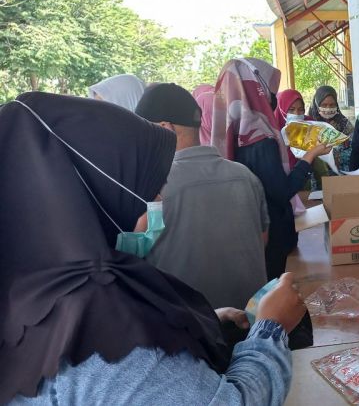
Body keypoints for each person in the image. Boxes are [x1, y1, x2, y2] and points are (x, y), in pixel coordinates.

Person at [0, 92, 307, 405]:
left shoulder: (30, 294)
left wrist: (204, 324)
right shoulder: (109, 331)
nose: (159, 203)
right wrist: (271, 329)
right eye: (148, 193)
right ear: (101, 201)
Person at [212, 58, 328, 349]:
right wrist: (310, 157)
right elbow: (281, 190)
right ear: (258, 89)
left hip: (247, 230)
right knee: (277, 299)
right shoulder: (259, 135)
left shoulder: (231, 133)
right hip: (273, 230)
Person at [134, 83, 270, 315]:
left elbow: (132, 255)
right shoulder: (245, 176)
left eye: (143, 131)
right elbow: (262, 241)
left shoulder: (152, 186)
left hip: (191, 329)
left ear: (166, 128)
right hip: (252, 320)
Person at [309, 85, 354, 171]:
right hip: (317, 175)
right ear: (317, 104)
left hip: (341, 174)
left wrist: (338, 157)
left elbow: (353, 149)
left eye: (332, 105)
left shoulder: (345, 124)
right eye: (324, 105)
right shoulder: (310, 125)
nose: (328, 108)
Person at [275, 89, 307, 169]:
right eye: (291, 110)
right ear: (281, 109)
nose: (296, 114)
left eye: (300, 109)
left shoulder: (310, 124)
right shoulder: (273, 132)